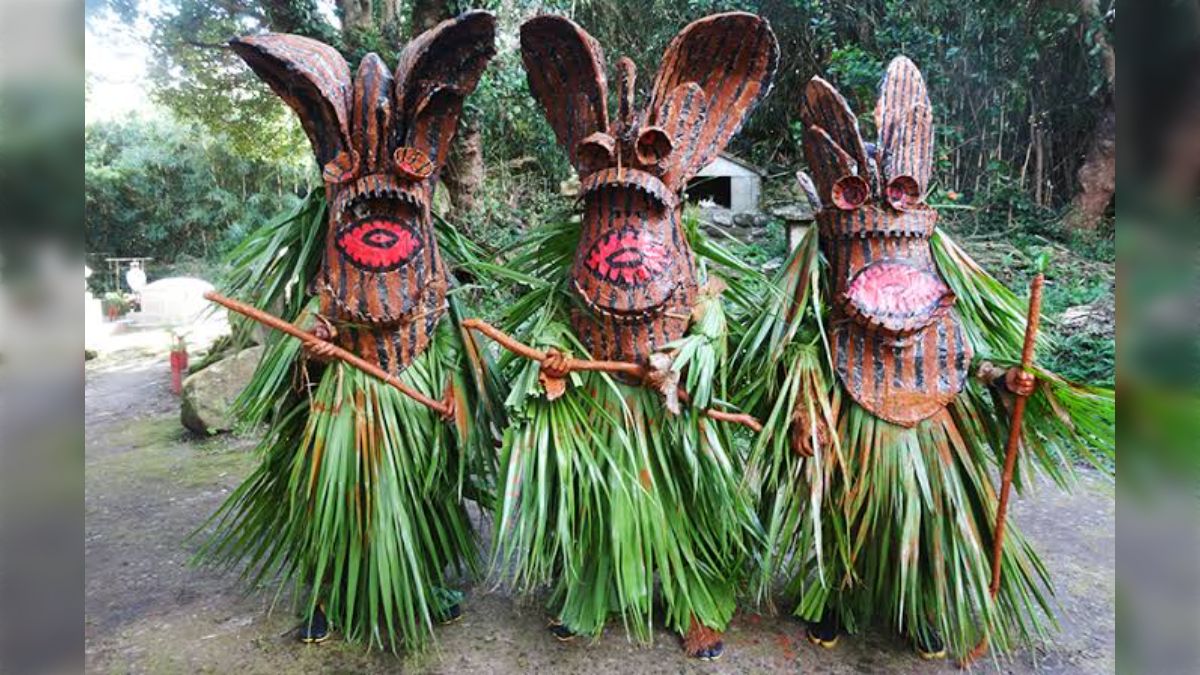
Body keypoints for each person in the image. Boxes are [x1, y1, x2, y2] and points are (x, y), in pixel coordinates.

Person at [733, 56, 1115, 660]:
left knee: (934, 522)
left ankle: (921, 609)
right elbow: (801, 340)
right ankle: (839, 600)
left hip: (933, 419)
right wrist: (807, 405)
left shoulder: (938, 273)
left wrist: (1000, 377)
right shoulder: (826, 271)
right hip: (855, 408)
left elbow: (967, 352)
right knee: (846, 515)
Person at [467, 12, 778, 661]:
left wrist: (688, 356)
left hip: (669, 403)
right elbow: (556, 306)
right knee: (600, 504)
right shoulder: (586, 234)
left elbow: (709, 317)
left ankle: (694, 601)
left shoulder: (682, 243)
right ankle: (589, 596)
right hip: (601, 396)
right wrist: (549, 356)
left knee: (683, 503)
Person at [195, 12, 504, 651]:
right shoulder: (325, 285)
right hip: (346, 396)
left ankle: (426, 586)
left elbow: (456, 346)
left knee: (421, 497)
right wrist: (311, 359)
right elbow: (296, 377)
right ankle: (332, 595)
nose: (380, 211)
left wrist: (457, 396)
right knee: (336, 496)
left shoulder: (434, 286)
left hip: (413, 378)